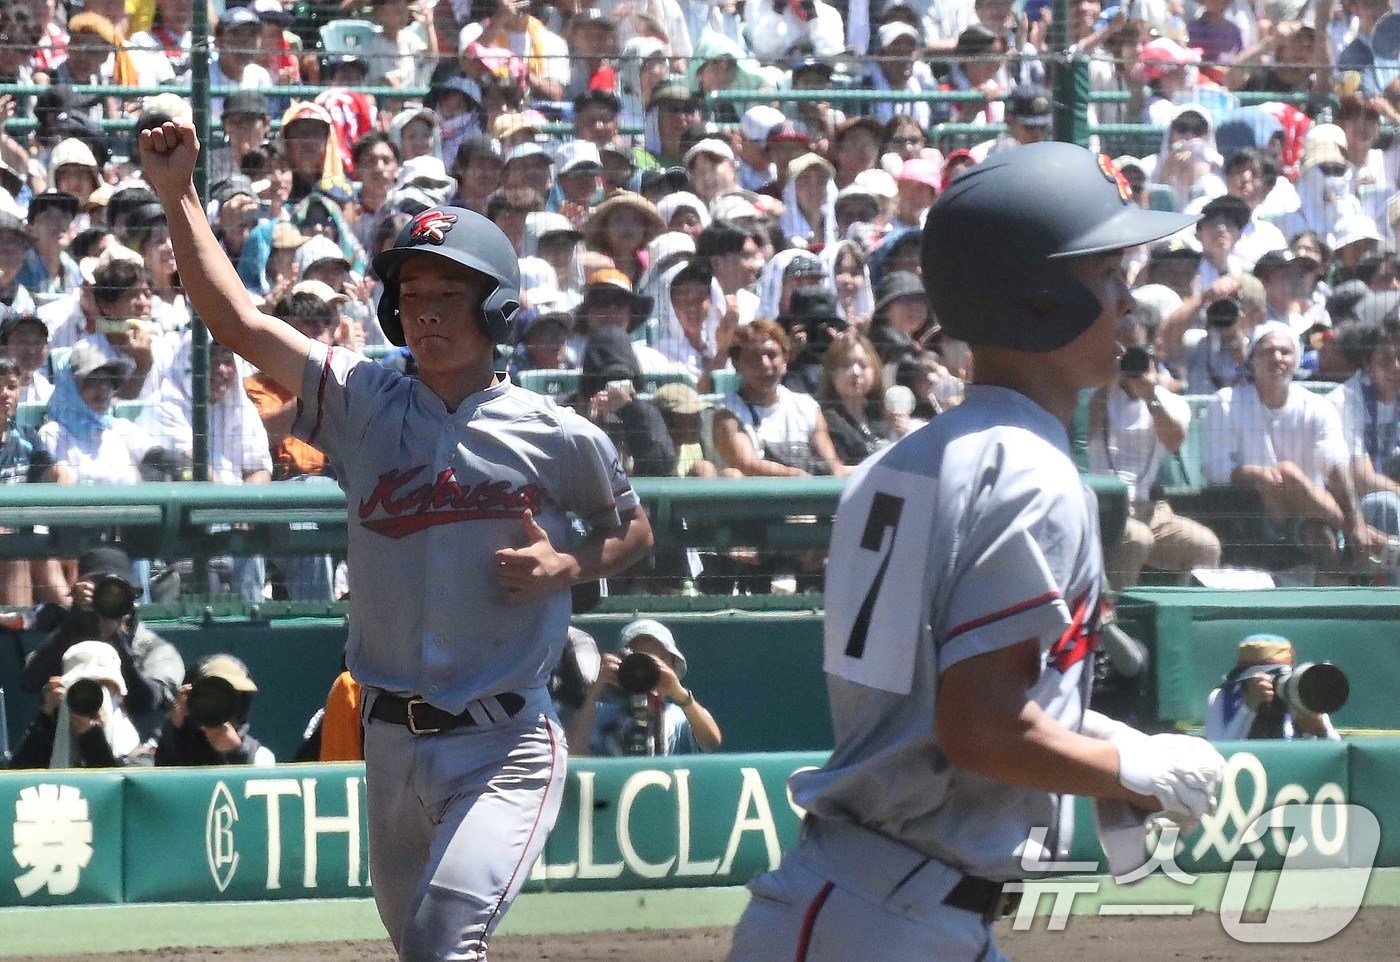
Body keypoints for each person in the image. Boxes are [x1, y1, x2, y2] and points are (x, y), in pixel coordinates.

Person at [141, 120, 653, 960]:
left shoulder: (557, 434)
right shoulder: (362, 400)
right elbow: (236, 321)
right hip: (388, 744)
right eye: (410, 293)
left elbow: (632, 528)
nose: (423, 311)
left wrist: (571, 563)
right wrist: (178, 195)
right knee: (421, 945)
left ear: (494, 305)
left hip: (504, 740)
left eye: (446, 294)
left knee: (440, 943)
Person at [726, 144, 1225, 962]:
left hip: (869, 899)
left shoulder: (905, 459)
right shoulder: (1029, 469)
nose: (1128, 301)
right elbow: (980, 727)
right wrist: (1126, 773)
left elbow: (936, 707)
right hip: (894, 913)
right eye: (1107, 274)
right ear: (1041, 295)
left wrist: (1108, 740)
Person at [1202, 322, 1385, 577]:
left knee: (1317, 533)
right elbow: (1214, 468)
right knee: (1286, 472)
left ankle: (1336, 589)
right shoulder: (1226, 403)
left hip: (1312, 513)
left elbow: (1336, 464)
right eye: (1268, 351)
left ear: (1296, 359)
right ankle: (1363, 533)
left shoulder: (1318, 407)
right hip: (1249, 511)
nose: (1277, 358)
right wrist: (1256, 474)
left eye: (1285, 352)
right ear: (1253, 360)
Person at [1088, 317, 1222, 588]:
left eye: (1136, 353)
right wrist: (1107, 384)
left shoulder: (1168, 401)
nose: (1128, 363)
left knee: (1205, 546)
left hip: (1148, 508)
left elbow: (1174, 442)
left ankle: (1180, 615)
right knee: (1136, 539)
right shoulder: (1092, 395)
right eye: (1122, 353)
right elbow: (1086, 431)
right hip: (1100, 506)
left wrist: (1150, 395)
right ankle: (1112, 618)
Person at [21, 547, 184, 743]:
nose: (106, 597)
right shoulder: (65, 636)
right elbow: (30, 681)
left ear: (131, 596)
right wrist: (74, 620)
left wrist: (115, 637)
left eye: (115, 591)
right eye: (97, 588)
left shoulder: (154, 648)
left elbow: (147, 701)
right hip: (65, 751)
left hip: (135, 757)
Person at [713, 319, 849, 478]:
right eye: (753, 357)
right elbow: (745, 464)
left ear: (785, 360)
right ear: (737, 364)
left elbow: (832, 464)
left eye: (772, 355)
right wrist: (794, 475)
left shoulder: (807, 407)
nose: (764, 364)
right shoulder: (726, 412)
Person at [568, 618, 722, 757]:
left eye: (656, 661)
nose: (644, 670)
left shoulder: (681, 716)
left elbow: (712, 742)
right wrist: (595, 691)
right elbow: (573, 755)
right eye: (638, 659)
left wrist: (679, 693)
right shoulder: (600, 714)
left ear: (672, 667)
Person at [9, 640, 151, 769]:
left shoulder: (136, 755)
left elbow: (120, 791)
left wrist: (92, 738)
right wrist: (45, 718)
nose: (90, 696)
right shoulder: (48, 739)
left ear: (119, 694)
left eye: (103, 685)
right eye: (81, 685)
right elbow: (15, 782)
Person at [1204, 635, 1341, 741]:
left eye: (1281, 674)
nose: (1274, 680)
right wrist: (1248, 709)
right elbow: (1217, 752)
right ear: (1246, 679)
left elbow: (1336, 751)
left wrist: (1321, 731)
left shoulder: (1301, 693)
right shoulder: (1222, 697)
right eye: (1269, 675)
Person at [155, 654, 276, 766]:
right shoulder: (159, 743)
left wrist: (237, 753)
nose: (214, 705)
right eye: (207, 697)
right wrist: (173, 730)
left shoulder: (259, 757)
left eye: (229, 697)